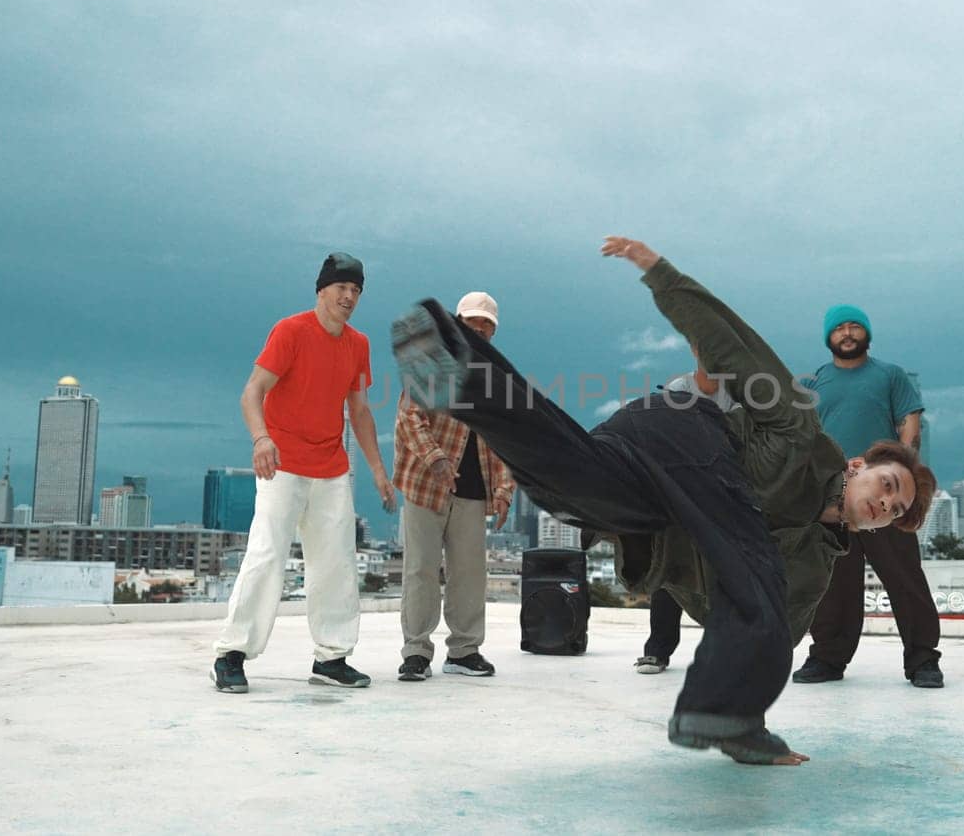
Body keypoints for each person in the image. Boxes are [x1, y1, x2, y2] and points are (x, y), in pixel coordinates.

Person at [390, 236, 935, 765]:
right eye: (887, 487)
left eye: (894, 510)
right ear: (860, 466)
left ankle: (456, 368)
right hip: (679, 434)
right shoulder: (799, 431)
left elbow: (754, 635)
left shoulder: (812, 571)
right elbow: (741, 352)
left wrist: (748, 716)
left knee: (571, 486)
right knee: (753, 561)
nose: (884, 504)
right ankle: (716, 714)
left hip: (654, 500)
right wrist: (662, 275)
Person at [211, 252, 396, 694]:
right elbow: (252, 392)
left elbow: (360, 410)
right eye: (341, 288)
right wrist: (261, 439)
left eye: (356, 291)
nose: (349, 297)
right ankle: (231, 654)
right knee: (267, 555)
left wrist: (377, 470)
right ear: (321, 290)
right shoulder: (290, 331)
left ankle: (331, 658)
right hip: (282, 464)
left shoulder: (359, 344)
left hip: (332, 468)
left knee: (336, 563)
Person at [793, 305, 943, 688]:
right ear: (829, 337)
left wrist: (906, 471)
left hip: (884, 494)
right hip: (834, 498)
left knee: (905, 579)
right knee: (833, 586)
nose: (847, 333)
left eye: (854, 327)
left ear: (867, 334)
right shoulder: (814, 382)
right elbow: (800, 435)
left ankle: (923, 660)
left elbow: (910, 424)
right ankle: (828, 658)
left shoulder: (889, 375)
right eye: (839, 328)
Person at [393, 291, 516, 681]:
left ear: (493, 331)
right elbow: (409, 418)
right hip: (426, 484)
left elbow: (505, 438)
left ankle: (464, 651)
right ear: (458, 323)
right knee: (421, 571)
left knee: (470, 574)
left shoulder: (497, 378)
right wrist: (437, 459)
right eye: (473, 322)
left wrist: (503, 489)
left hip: (474, 488)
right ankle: (416, 652)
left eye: (486, 324)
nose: (479, 329)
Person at [634, 357, 733, 676]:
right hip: (678, 489)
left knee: (724, 573)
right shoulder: (678, 389)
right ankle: (657, 651)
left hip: (721, 491)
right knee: (669, 569)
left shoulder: (735, 394)